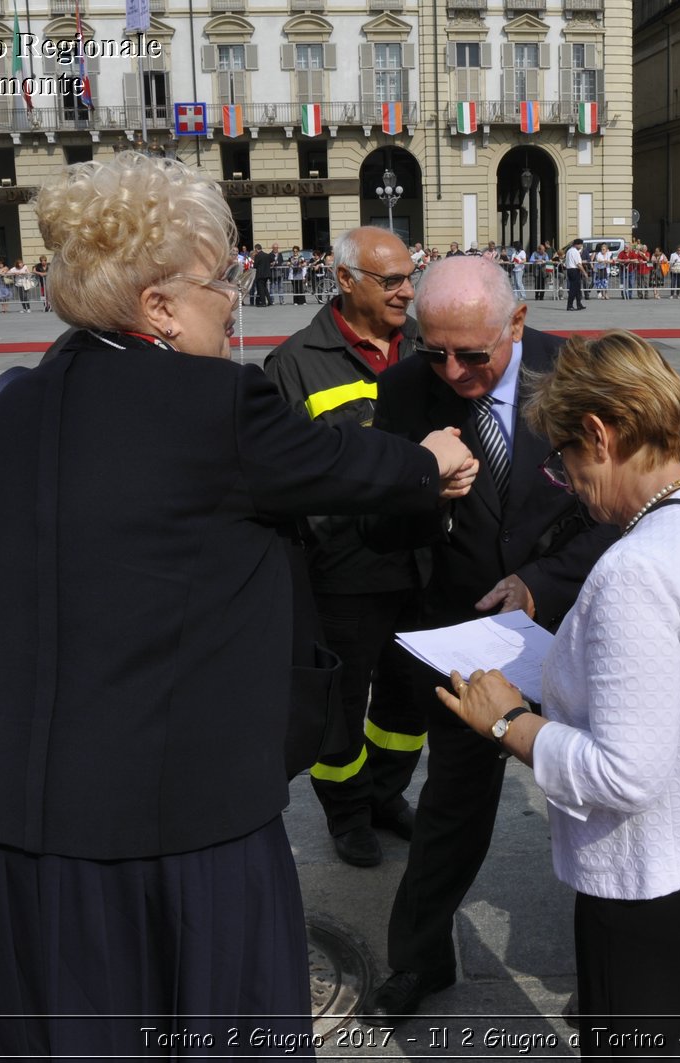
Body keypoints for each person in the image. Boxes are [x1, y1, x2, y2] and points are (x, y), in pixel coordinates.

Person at [0, 153, 475, 1059]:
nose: (235, 300)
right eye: (223, 279)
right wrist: (433, 462)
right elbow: (337, 463)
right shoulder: (213, 402)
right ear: (158, 306)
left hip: (17, 830)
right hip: (182, 826)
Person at [434, 330, 680, 1057]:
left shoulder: (635, 568)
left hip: (654, 872)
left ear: (598, 435)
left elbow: (624, 772)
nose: (568, 480)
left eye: (565, 461)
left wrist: (507, 720)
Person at [357, 256, 616, 1023]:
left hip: (569, 627)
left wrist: (541, 582)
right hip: (466, 633)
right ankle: (419, 958)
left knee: (597, 806)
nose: (454, 370)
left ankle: (607, 975)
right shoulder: (407, 388)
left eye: (474, 353)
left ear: (517, 323)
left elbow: (625, 513)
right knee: (451, 802)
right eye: (435, 350)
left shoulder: (578, 374)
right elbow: (375, 524)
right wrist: (418, 483)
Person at [264, 226, 428, 869]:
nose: (406, 292)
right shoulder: (296, 362)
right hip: (344, 574)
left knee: (409, 702)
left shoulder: (428, 346)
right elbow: (279, 477)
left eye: (410, 277)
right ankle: (348, 813)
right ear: (345, 280)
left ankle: (388, 795)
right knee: (339, 711)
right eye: (391, 281)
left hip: (424, 567)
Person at [564, 237, 586, 310]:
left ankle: (579, 304)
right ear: (577, 244)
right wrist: (584, 272)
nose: (581, 246)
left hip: (569, 270)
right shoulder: (575, 252)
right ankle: (569, 305)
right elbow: (578, 264)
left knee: (577, 288)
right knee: (573, 289)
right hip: (574, 270)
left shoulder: (569, 251)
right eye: (581, 245)